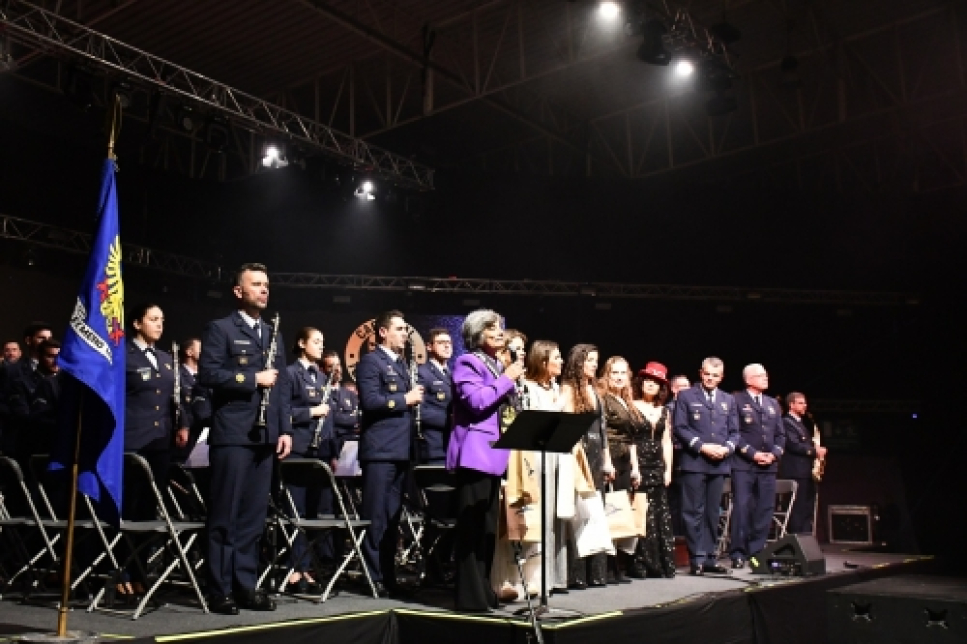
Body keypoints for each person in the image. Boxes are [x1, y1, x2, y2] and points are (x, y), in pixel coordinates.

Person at [199, 262, 292, 615]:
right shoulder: (221, 328)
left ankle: (245, 585)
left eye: (266, 284)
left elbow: (281, 385)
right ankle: (219, 588)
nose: (264, 290)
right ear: (239, 291)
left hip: (265, 435)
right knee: (225, 514)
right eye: (256, 284)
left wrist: (283, 429)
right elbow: (209, 374)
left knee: (253, 518)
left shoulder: (273, 332)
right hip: (234, 433)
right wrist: (252, 379)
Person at [448, 309, 524, 612]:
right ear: (477, 334)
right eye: (492, 328)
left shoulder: (495, 364)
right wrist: (507, 379)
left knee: (488, 529)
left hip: (495, 454)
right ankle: (469, 597)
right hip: (474, 455)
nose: (499, 333)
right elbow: (477, 401)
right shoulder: (467, 362)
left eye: (501, 328)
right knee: (471, 528)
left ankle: (484, 590)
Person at [121, 303, 188, 598]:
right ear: (137, 323)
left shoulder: (165, 358)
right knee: (130, 508)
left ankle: (140, 571)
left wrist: (182, 423)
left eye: (162, 320)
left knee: (149, 509)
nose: (159, 325)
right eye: (153, 319)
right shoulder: (124, 355)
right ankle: (122, 570)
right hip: (133, 440)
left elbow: (176, 398)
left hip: (161, 441)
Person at [356, 310, 424, 597]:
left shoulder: (402, 365)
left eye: (405, 329)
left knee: (393, 518)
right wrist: (404, 399)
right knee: (376, 517)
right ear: (383, 332)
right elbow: (370, 402)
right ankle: (372, 576)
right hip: (380, 451)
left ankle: (387, 574)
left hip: (400, 451)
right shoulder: (371, 362)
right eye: (398, 329)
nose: (405, 334)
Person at [503, 339, 567, 598]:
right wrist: (559, 405)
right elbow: (531, 424)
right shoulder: (527, 388)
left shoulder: (554, 387)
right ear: (543, 361)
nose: (561, 361)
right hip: (532, 460)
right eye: (557, 357)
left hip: (552, 459)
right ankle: (521, 580)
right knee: (529, 518)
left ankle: (544, 578)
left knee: (548, 518)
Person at [673, 357, 739, 576]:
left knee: (713, 513)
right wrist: (702, 447)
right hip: (694, 462)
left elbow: (735, 432)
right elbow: (680, 428)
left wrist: (726, 449)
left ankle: (710, 557)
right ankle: (697, 558)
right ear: (701, 373)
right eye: (707, 374)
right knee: (693, 512)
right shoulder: (686, 396)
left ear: (722, 377)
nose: (710, 378)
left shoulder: (728, 400)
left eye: (715, 375)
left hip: (719, 463)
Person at [284, 326, 337, 592]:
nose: (320, 345)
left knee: (315, 513)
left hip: (319, 452)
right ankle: (295, 569)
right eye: (316, 341)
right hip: (298, 451)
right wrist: (312, 412)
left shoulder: (320, 376)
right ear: (302, 343)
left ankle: (309, 567)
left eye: (322, 341)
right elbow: (283, 412)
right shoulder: (291, 373)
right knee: (298, 511)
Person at [560, 343, 612, 590]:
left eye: (595, 360)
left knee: (595, 514)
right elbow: (567, 426)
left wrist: (607, 460)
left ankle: (597, 573)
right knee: (579, 514)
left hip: (595, 456)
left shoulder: (595, 390)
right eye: (589, 360)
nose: (593, 364)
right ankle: (577, 574)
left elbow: (601, 431)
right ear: (578, 362)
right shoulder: (569, 389)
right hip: (578, 456)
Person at [729, 364, 786, 568]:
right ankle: (737, 552)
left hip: (769, 466)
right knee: (743, 508)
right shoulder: (736, 400)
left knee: (765, 509)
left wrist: (775, 454)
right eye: (761, 375)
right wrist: (753, 454)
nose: (765, 378)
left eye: (766, 374)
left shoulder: (772, 403)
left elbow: (780, 434)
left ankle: (757, 552)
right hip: (744, 464)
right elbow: (733, 433)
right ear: (748, 380)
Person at [629, 362, 677, 578]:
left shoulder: (664, 411)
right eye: (648, 380)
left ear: (662, 388)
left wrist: (668, 471)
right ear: (641, 382)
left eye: (656, 382)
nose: (651, 384)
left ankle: (661, 564)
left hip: (658, 466)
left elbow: (666, 442)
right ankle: (641, 564)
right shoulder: (631, 405)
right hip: (638, 463)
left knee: (660, 515)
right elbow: (629, 439)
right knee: (641, 513)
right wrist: (635, 468)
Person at [600, 356, 645, 581]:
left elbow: (632, 438)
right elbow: (603, 435)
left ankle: (620, 564)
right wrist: (606, 462)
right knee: (611, 511)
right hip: (612, 458)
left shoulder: (628, 401)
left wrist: (636, 468)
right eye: (614, 373)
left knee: (623, 512)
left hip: (627, 460)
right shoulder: (604, 399)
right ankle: (609, 568)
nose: (618, 377)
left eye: (622, 373)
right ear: (607, 376)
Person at [780, 392, 826, 535]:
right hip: (795, 471)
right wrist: (814, 451)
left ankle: (806, 538)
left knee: (807, 507)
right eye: (800, 403)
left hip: (806, 471)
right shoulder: (787, 422)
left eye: (805, 403)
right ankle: (796, 538)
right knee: (798, 508)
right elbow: (793, 445)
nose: (804, 405)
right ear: (791, 405)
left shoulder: (801, 423)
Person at [417, 328, 454, 465]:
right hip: (435, 447)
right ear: (429, 346)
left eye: (449, 343)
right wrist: (452, 420)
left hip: (453, 446)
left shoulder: (452, 375)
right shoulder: (423, 373)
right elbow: (419, 412)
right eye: (441, 342)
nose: (447, 346)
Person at [666, 374, 690, 537]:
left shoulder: (691, 407)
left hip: (688, 457)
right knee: (676, 503)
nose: (687, 390)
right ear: (674, 389)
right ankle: (677, 538)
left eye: (688, 387)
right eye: (682, 387)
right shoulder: (669, 409)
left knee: (687, 502)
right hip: (675, 458)